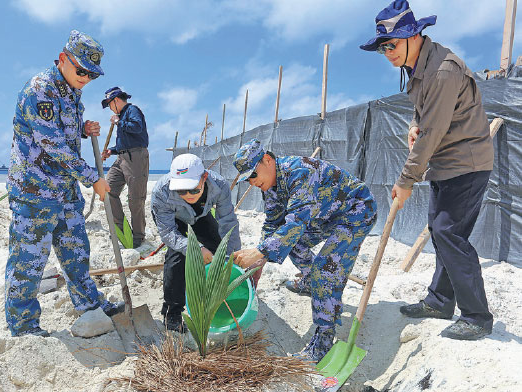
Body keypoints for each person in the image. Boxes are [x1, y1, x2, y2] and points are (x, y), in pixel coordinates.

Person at [360, 0, 494, 340]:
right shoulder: (420, 66)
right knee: (440, 230)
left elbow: (433, 133)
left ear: (415, 36)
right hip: (446, 164)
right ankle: (440, 301)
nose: (387, 52)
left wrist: (406, 181)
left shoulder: (442, 71)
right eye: (382, 48)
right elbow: (427, 116)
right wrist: (414, 122)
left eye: (391, 44)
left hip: (465, 164)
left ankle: (477, 316)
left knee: (450, 234)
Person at [5, 30, 124, 338]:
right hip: (35, 192)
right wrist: (93, 178)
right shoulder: (40, 89)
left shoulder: (71, 90)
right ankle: (23, 326)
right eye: (81, 70)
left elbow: (64, 131)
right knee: (28, 261)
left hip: (64, 190)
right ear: (63, 59)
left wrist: (83, 129)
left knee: (76, 251)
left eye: (91, 74)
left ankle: (89, 304)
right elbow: (51, 142)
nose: (85, 77)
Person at [232, 139, 377, 362]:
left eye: (253, 174)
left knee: (324, 270)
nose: (252, 182)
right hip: (325, 214)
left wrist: (260, 251)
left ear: (267, 160)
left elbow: (296, 222)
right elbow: (273, 224)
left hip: (354, 212)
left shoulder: (299, 172)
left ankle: (323, 342)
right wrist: (259, 260)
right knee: (294, 244)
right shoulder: (269, 186)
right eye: (247, 179)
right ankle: (311, 283)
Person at [151, 154, 241, 332]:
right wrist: (195, 248)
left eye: (193, 189)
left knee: (219, 249)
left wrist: (234, 258)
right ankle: (172, 312)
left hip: (200, 215)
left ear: (204, 177)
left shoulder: (219, 185)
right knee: (177, 258)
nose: (187, 195)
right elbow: (168, 233)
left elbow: (228, 224)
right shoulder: (161, 192)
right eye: (181, 191)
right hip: (174, 221)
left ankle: (217, 296)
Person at [101, 87, 149, 249]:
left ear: (115, 101)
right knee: (108, 190)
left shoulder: (132, 110)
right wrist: (111, 150)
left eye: (109, 104)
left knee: (135, 199)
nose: (109, 108)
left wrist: (118, 122)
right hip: (121, 157)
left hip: (136, 157)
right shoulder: (121, 116)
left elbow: (137, 128)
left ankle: (138, 237)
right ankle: (121, 229)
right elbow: (126, 141)